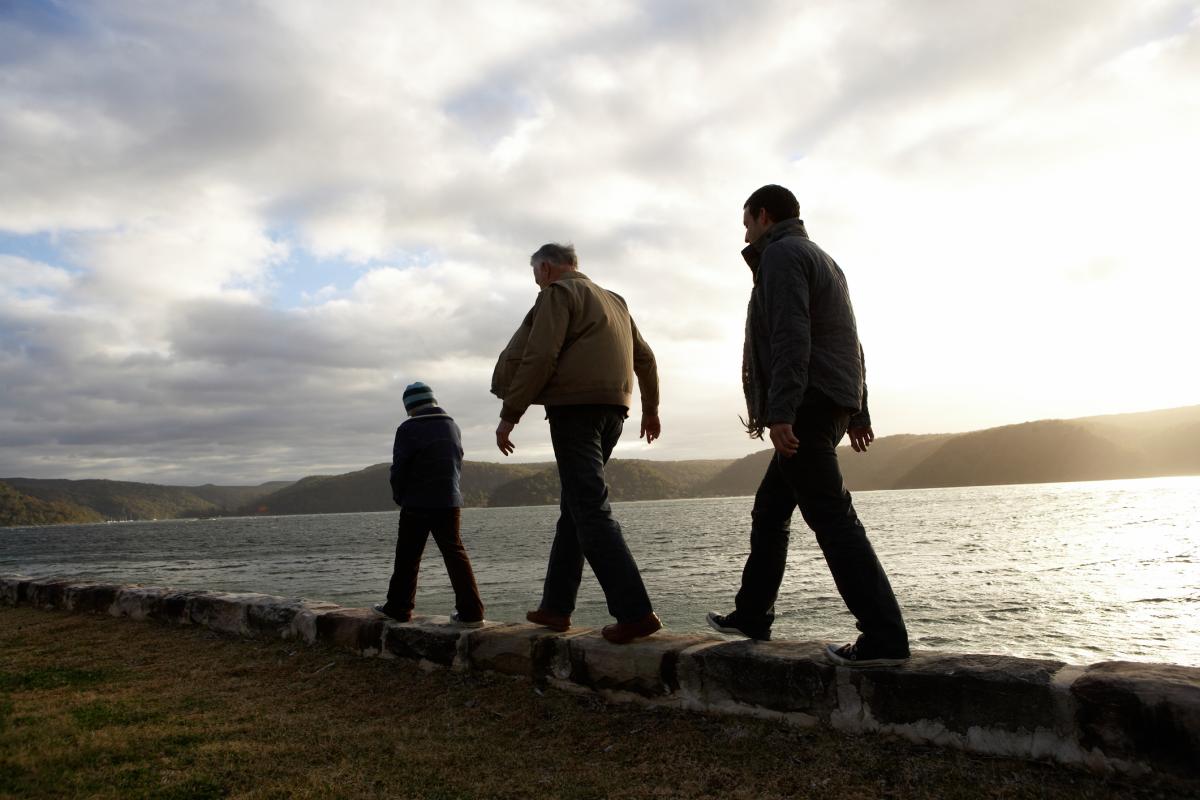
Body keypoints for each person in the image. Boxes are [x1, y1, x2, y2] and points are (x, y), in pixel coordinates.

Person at [706, 185, 910, 667]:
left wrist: (781, 411)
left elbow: (791, 335)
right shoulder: (822, 258)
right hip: (829, 399)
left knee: (833, 519)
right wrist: (858, 411)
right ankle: (753, 614)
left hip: (807, 402)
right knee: (771, 507)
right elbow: (850, 341)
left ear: (763, 215)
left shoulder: (782, 256)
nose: (745, 231)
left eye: (746, 222)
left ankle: (884, 637)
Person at [491, 243, 662, 644]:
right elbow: (647, 359)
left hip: (575, 410)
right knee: (576, 509)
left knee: (589, 509)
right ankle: (555, 608)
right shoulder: (615, 300)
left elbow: (541, 355)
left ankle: (634, 612)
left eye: (536, 275)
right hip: (614, 411)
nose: (537, 282)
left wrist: (510, 414)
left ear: (546, 268)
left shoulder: (558, 293)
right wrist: (651, 409)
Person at [374, 381, 485, 627]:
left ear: (410, 407)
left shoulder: (408, 429)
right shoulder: (452, 426)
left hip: (417, 501)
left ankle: (399, 608)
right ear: (433, 401)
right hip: (449, 500)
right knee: (455, 553)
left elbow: (399, 468)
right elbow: (458, 460)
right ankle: (472, 613)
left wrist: (399, 496)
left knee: (408, 557)